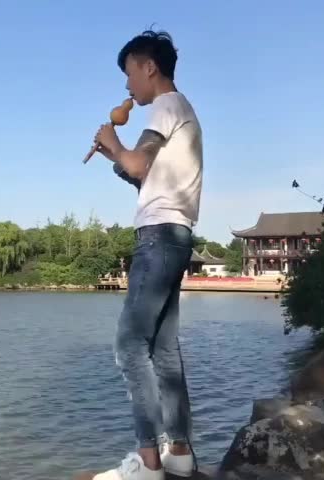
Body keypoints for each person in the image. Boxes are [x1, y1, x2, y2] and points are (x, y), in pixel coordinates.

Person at [91, 29, 203, 480]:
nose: (127, 87)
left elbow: (137, 163)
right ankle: (179, 453)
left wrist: (114, 142)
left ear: (149, 67)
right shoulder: (182, 110)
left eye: (129, 74)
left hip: (157, 236)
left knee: (129, 345)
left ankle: (148, 461)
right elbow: (143, 176)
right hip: (176, 234)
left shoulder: (165, 105)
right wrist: (112, 155)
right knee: (163, 347)